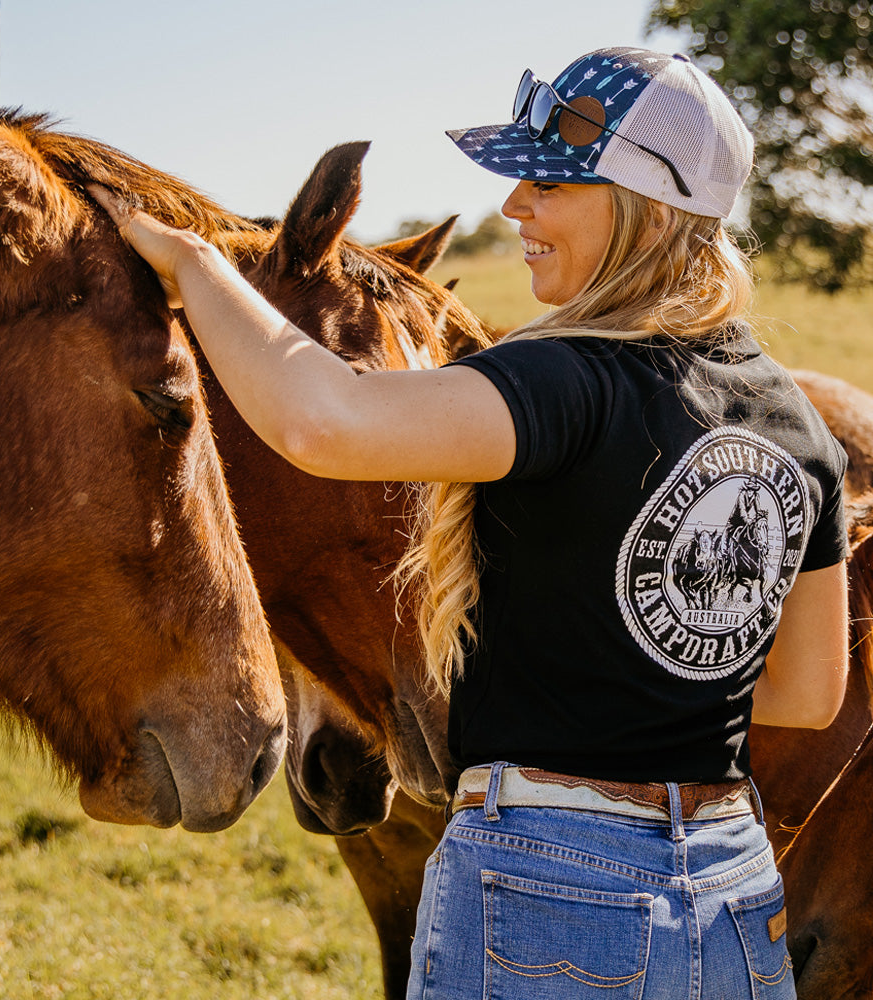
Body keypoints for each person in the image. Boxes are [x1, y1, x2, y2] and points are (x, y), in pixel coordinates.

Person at [90, 45, 848, 1000]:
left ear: (643, 207)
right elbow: (809, 692)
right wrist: (642, 695)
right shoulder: (796, 425)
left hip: (553, 881)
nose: (515, 205)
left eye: (551, 180)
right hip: (732, 885)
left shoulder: (565, 382)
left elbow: (320, 420)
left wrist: (197, 263)